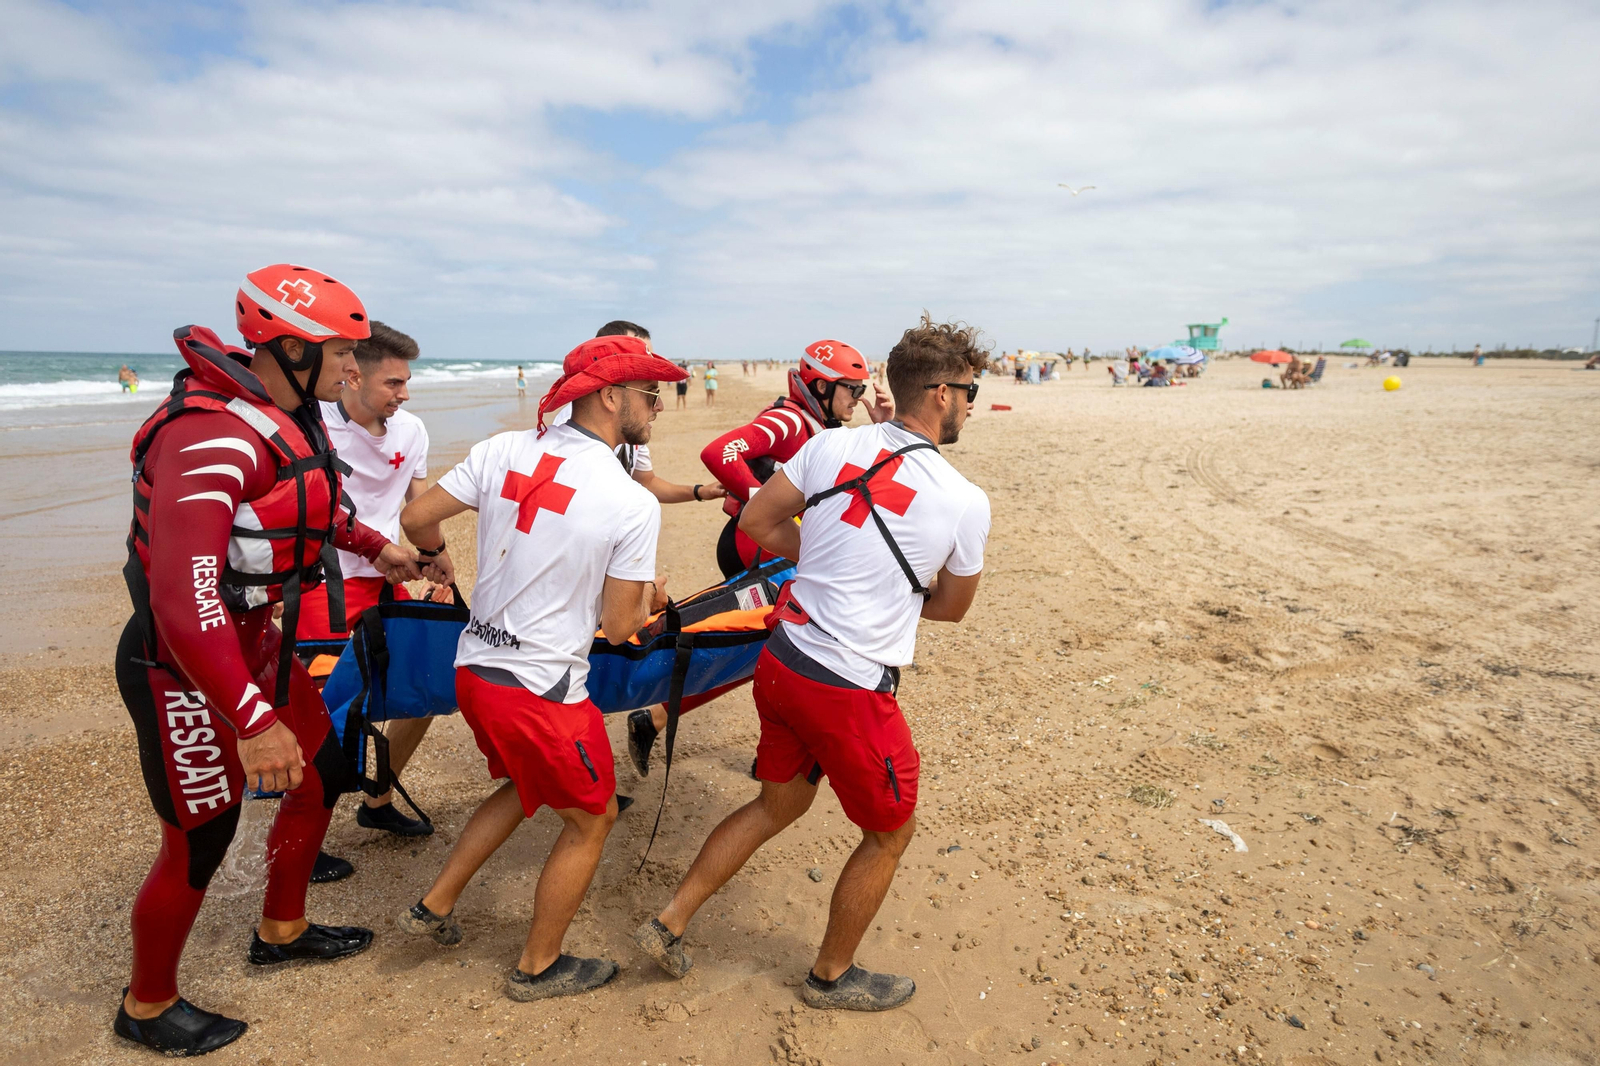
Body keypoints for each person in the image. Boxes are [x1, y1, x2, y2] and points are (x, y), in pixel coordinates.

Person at [633, 313, 991, 1012]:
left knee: (779, 802)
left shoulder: (830, 446)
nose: (974, 406)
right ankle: (831, 975)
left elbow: (755, 522)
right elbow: (951, 608)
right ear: (942, 394)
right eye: (971, 392)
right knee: (890, 832)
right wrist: (877, 586)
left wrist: (826, 565)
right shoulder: (963, 500)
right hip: (848, 686)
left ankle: (669, 920)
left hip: (784, 659)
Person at [112, 264, 423, 1056]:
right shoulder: (206, 438)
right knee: (201, 837)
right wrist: (251, 721)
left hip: (255, 643)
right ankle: (147, 1004)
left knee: (322, 774)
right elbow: (183, 602)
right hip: (181, 664)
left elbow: (307, 503)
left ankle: (282, 930)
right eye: (343, 354)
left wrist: (376, 545)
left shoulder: (287, 415)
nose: (353, 369)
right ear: (290, 349)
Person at [395, 335, 681, 1002]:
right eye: (650, 392)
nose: (659, 405)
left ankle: (435, 904)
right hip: (541, 691)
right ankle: (537, 965)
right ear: (610, 396)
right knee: (593, 818)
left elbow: (415, 517)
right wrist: (652, 600)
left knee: (527, 784)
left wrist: (437, 556)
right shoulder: (630, 500)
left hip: (475, 669)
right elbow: (619, 627)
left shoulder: (504, 449)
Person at [295, 321, 443, 840]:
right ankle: (300, 839)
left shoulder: (412, 430)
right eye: (393, 383)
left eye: (407, 382)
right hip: (323, 585)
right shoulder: (312, 426)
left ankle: (377, 798)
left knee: (426, 686)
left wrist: (436, 559)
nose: (404, 394)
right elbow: (301, 509)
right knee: (321, 715)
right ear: (354, 376)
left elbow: (419, 506)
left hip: (389, 578)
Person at [699, 339, 892, 581]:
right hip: (755, 547)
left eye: (861, 390)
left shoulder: (822, 424)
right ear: (822, 386)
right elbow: (719, 451)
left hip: (773, 542)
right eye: (854, 390)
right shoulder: (789, 421)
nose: (858, 399)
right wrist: (762, 503)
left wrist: (885, 429)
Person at [593, 322, 729, 508]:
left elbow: (647, 481)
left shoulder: (630, 425)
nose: (659, 406)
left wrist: (699, 491)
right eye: (639, 357)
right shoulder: (577, 440)